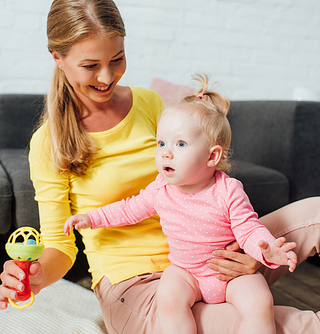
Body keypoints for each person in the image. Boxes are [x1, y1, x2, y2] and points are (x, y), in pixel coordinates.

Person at [0, 0, 320, 333]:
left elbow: (207, 179)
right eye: (90, 65)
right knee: (315, 328)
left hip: (214, 257)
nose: (107, 77)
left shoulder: (148, 103)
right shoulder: (50, 142)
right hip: (142, 290)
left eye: (117, 59)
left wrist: (251, 248)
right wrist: (37, 275)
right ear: (57, 58)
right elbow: (61, 246)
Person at [63, 76, 298, 334]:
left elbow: (248, 228)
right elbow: (129, 209)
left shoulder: (228, 190)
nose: (166, 152)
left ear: (212, 156)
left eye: (180, 144)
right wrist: (91, 218)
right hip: (186, 273)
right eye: (161, 143)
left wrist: (267, 250)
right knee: (169, 299)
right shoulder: (161, 189)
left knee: (259, 302)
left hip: (228, 276)